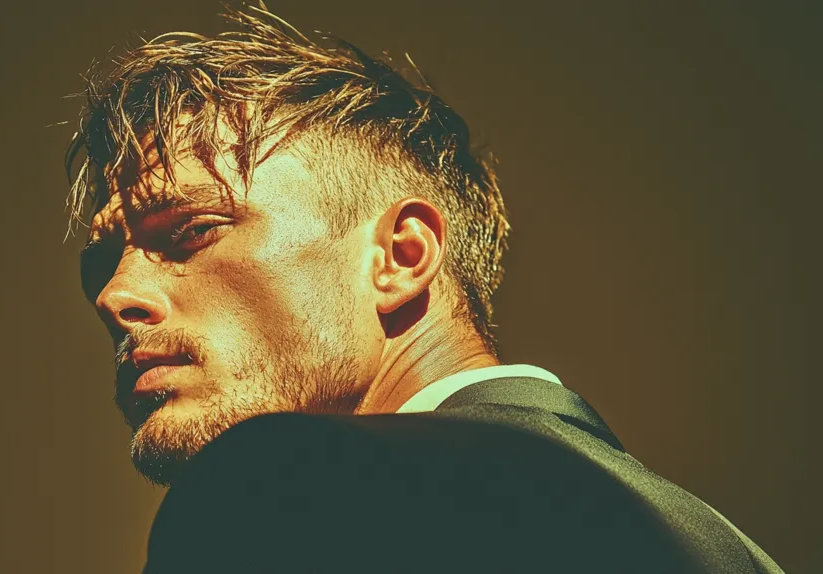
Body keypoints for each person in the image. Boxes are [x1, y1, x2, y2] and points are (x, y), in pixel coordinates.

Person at [64, 3, 783, 572]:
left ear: (401, 256)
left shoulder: (281, 489)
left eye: (192, 230)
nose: (116, 295)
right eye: (103, 263)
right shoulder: (728, 547)